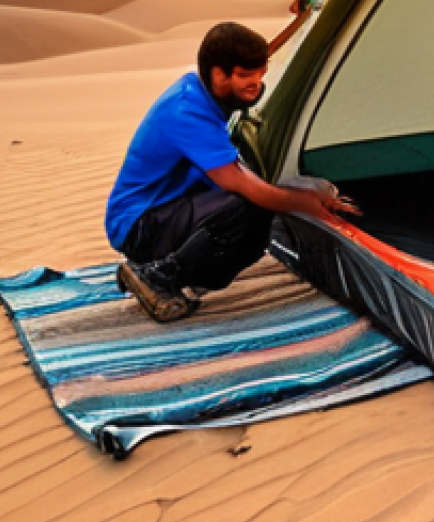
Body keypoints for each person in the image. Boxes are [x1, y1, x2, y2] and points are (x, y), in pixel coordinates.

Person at [105, 21, 358, 323]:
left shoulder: (207, 94)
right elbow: (236, 181)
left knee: (258, 213)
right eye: (244, 75)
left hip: (171, 206)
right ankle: (157, 276)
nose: (257, 83)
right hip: (139, 226)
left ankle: (181, 269)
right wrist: (305, 202)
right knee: (251, 204)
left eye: (260, 73)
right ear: (217, 73)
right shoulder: (187, 110)